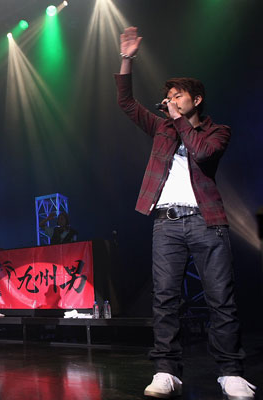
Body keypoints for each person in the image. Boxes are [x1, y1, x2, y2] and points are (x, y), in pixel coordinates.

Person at [116, 27, 255, 399]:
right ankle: (166, 371)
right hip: (166, 224)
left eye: (178, 95)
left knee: (220, 298)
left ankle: (230, 372)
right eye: (169, 96)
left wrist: (178, 118)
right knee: (164, 299)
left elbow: (202, 153)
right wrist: (127, 59)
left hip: (208, 222)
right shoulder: (162, 128)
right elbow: (126, 103)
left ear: (197, 99)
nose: (171, 100)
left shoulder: (217, 131)